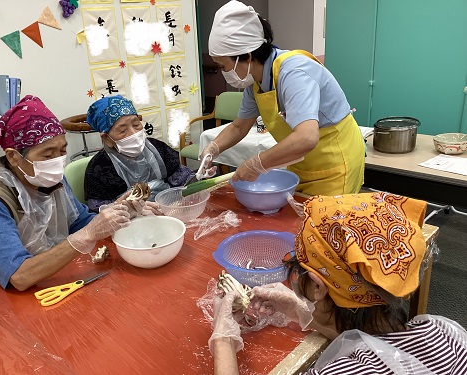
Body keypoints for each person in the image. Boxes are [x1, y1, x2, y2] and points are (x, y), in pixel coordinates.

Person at [209, 192, 467, 374]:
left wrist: (223, 341)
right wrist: (299, 311)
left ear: (317, 287)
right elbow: (371, 342)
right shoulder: (446, 333)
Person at [0, 95, 147, 291]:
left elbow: (79, 222)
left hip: (52, 277)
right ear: (13, 156)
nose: (57, 161)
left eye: (62, 151)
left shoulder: (51, 179)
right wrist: (85, 236)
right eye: (47, 154)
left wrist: (118, 212)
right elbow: (18, 276)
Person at [199, 1, 365, 196]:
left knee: (326, 223)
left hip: (335, 164)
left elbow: (306, 137)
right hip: (302, 164)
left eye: (223, 66)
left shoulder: (294, 72)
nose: (223, 72)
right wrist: (213, 148)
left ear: (247, 56)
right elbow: (238, 127)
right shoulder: (256, 85)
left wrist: (257, 163)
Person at [84, 95, 194, 213]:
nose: (133, 133)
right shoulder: (98, 169)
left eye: (136, 125)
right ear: (107, 138)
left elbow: (183, 179)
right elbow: (100, 214)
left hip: (170, 210)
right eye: (122, 130)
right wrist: (130, 210)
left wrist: (199, 177)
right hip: (129, 223)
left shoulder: (158, 149)